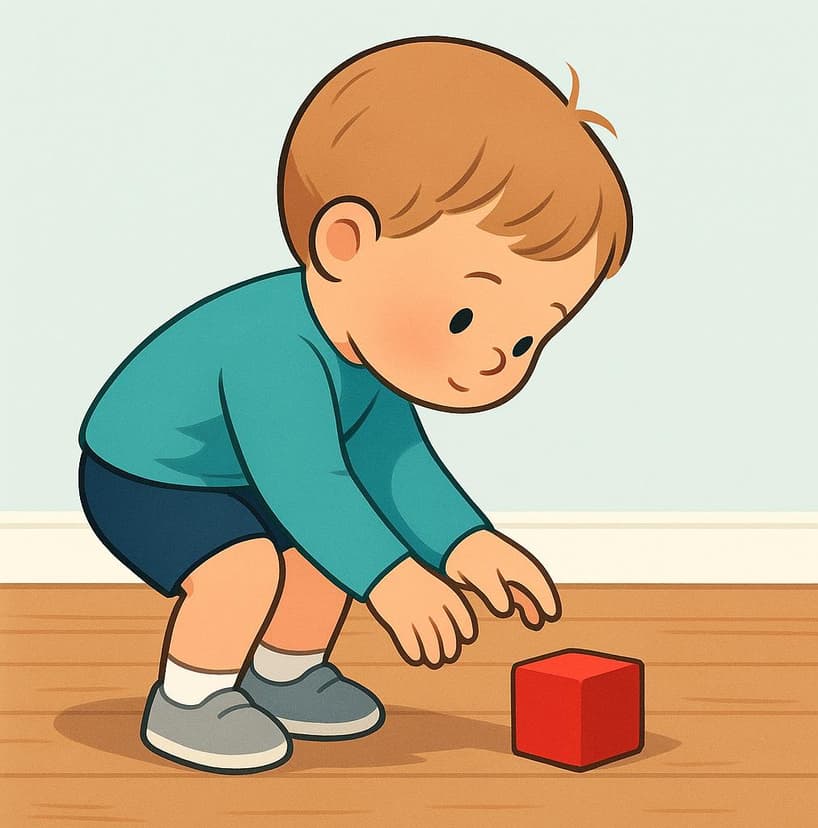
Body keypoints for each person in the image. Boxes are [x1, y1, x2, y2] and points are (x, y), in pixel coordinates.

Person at [77, 36, 632, 774]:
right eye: (466, 317)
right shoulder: (275, 351)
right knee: (247, 569)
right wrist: (391, 579)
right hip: (150, 478)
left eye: (529, 338)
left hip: (250, 472)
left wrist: (466, 542)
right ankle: (191, 699)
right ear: (346, 244)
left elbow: (393, 461)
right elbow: (307, 483)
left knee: (318, 556)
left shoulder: (370, 353)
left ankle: (285, 674)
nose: (500, 360)